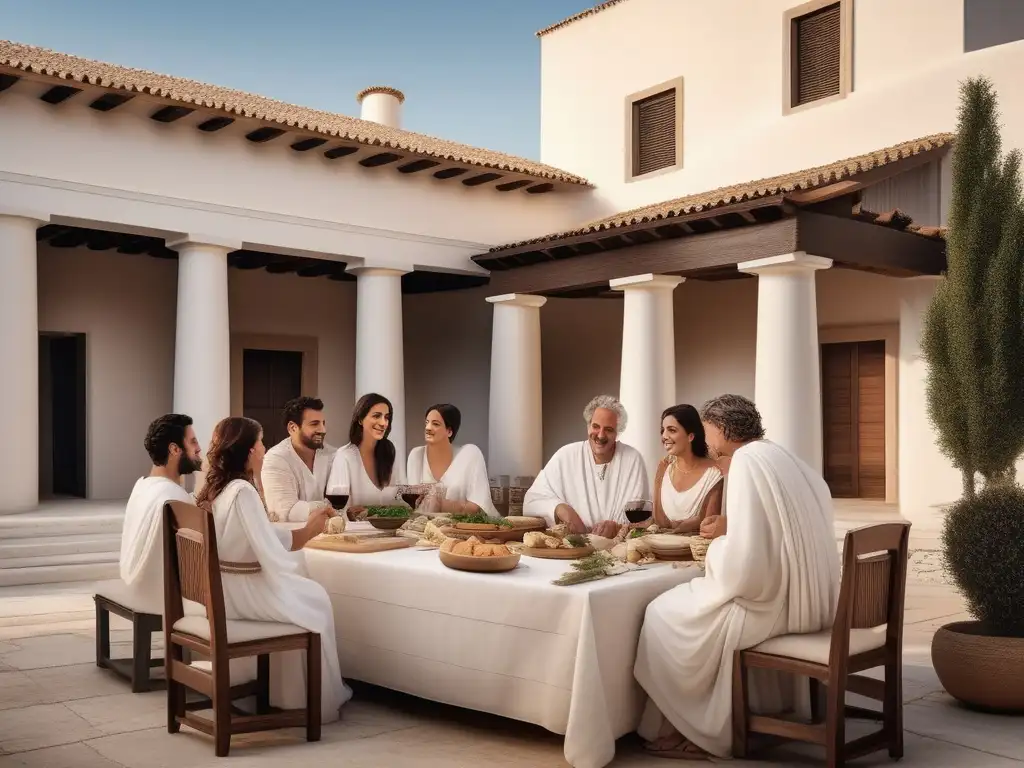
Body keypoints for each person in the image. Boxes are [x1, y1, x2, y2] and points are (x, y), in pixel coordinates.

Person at [633, 394, 841, 760]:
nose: (708, 440)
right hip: (807, 599)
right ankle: (731, 714)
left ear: (724, 429)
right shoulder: (780, 455)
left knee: (661, 615)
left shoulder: (745, 461)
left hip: (772, 608)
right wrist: (733, 529)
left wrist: (715, 550)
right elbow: (784, 528)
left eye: (709, 430)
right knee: (677, 606)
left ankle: (697, 729)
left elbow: (743, 572)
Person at [193, 416, 351, 723]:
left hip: (224, 589)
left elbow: (258, 536)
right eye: (262, 442)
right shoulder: (242, 491)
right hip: (241, 594)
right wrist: (307, 534)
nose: (265, 449)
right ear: (251, 450)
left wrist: (301, 533)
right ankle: (309, 700)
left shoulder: (221, 489)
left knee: (305, 593)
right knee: (316, 599)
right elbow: (270, 550)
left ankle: (286, 694)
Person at [523, 395, 649, 537]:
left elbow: (639, 515)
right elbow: (532, 501)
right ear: (588, 426)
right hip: (575, 544)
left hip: (619, 545)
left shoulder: (632, 459)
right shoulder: (565, 455)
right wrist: (560, 508)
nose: (600, 435)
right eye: (595, 426)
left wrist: (617, 526)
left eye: (608, 429)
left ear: (617, 432)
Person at [118, 414, 204, 614]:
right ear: (175, 449)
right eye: (193, 442)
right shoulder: (172, 497)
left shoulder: (143, 485)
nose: (199, 448)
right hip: (160, 595)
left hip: (134, 582)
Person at [406, 403, 498, 517]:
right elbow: (415, 504)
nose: (428, 428)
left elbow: (478, 508)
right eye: (427, 422)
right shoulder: (416, 455)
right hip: (422, 528)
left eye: (435, 424)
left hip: (463, 528)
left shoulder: (470, 454)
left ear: (449, 431)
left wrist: (439, 502)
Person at [325, 393, 406, 518]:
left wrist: (370, 510)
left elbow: (402, 502)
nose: (383, 423)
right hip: (355, 533)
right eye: (376, 416)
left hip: (391, 532)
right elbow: (336, 510)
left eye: (386, 417)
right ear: (360, 419)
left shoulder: (392, 452)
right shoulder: (344, 456)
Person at [261, 396, 337, 523]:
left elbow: (343, 505)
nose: (322, 430)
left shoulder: (333, 454)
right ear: (293, 428)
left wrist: (307, 508)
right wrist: (325, 507)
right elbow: (285, 513)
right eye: (314, 424)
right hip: (293, 539)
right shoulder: (276, 458)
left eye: (323, 423)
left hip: (333, 538)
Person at [651, 405, 723, 534]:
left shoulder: (714, 473)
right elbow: (659, 521)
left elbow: (708, 525)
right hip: (662, 548)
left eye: (672, 430)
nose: (664, 436)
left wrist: (694, 524)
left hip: (698, 551)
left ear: (690, 436)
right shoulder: (664, 467)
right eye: (663, 430)